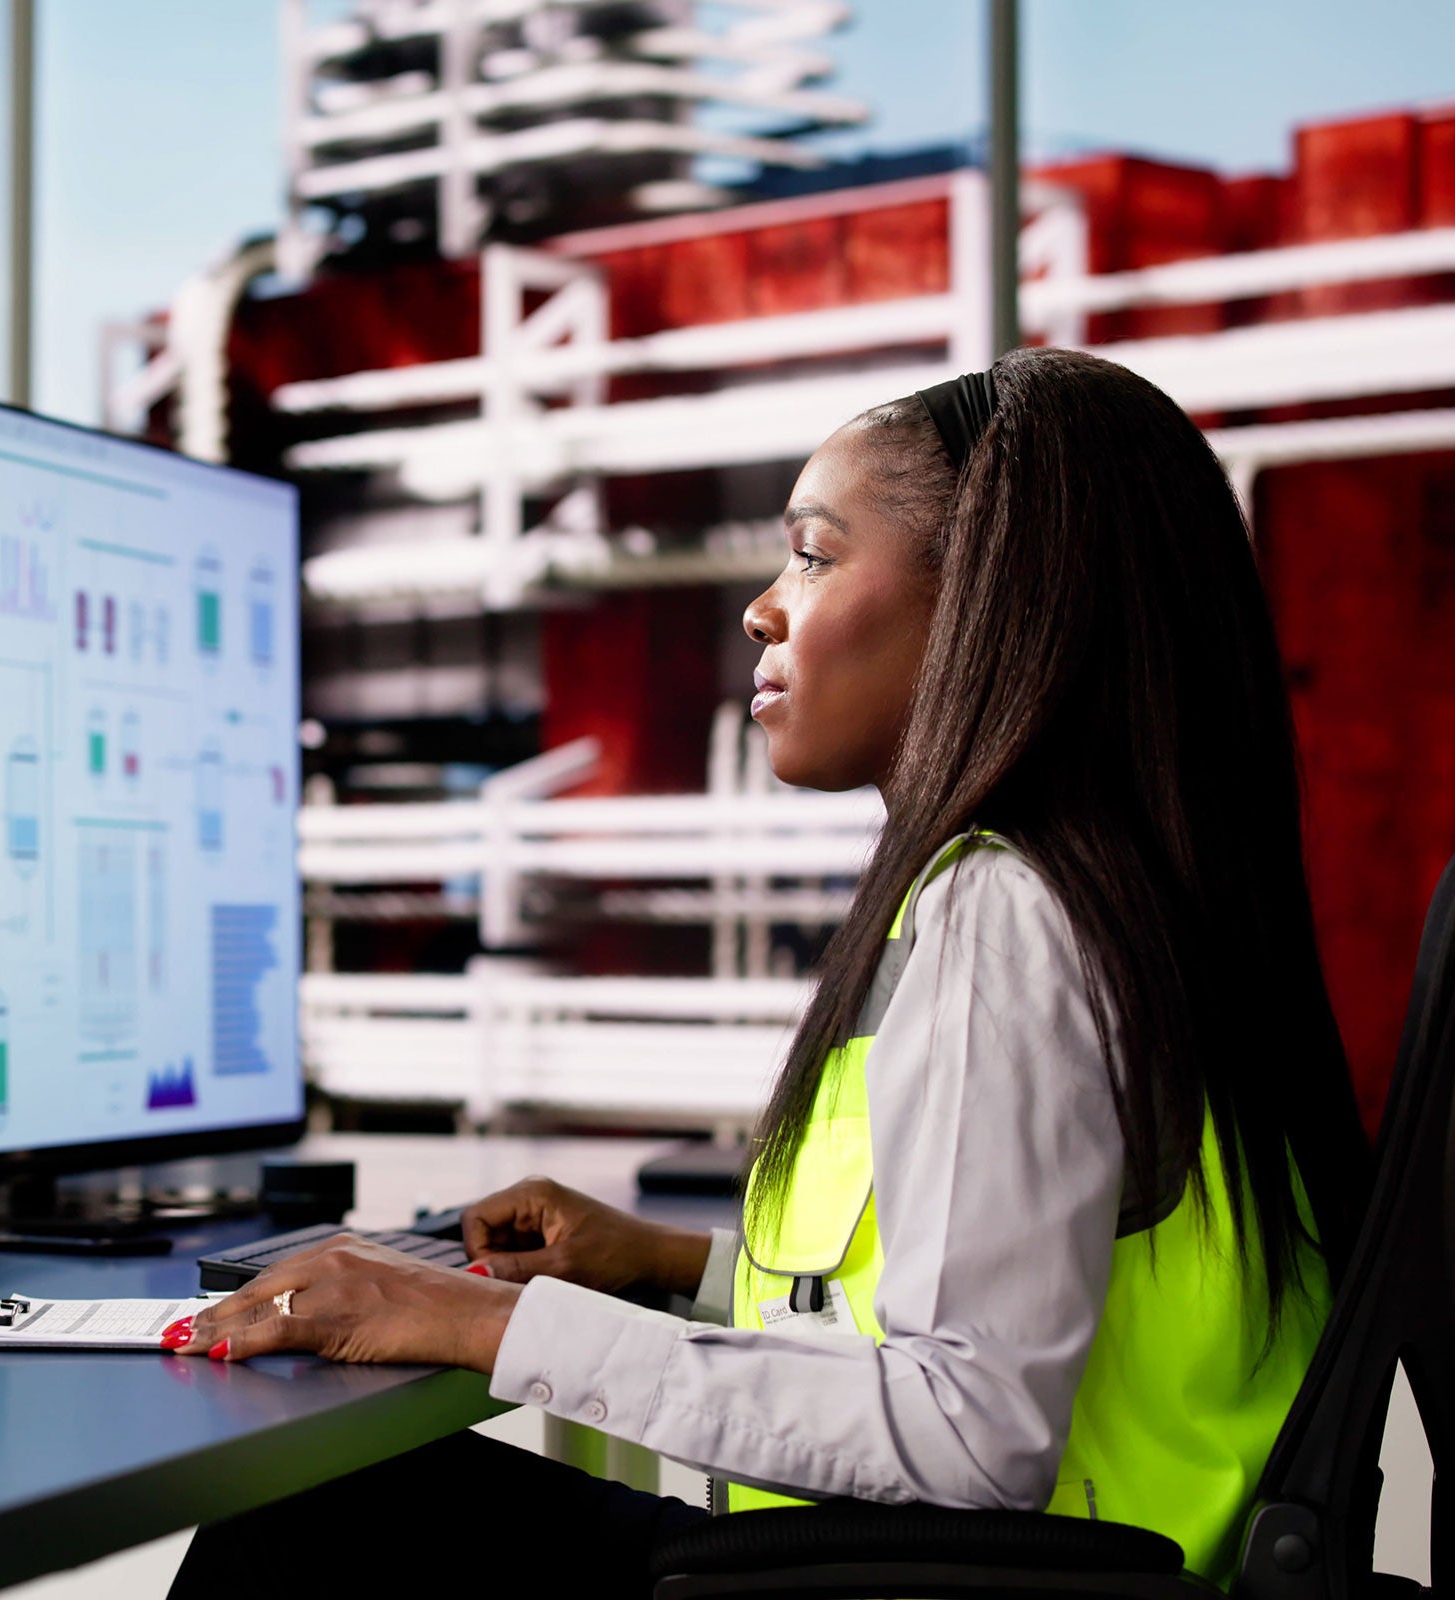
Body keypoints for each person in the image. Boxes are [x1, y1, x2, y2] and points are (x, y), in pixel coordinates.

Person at [166, 347, 1373, 1595]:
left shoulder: (1003, 911)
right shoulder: (1135, 904)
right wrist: (667, 1264)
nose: (762, 606)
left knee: (295, 1526)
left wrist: (485, 1325)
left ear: (985, 597)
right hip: (1054, 1573)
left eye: (814, 550)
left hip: (956, 1586)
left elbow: (970, 1434)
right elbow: (961, 1296)